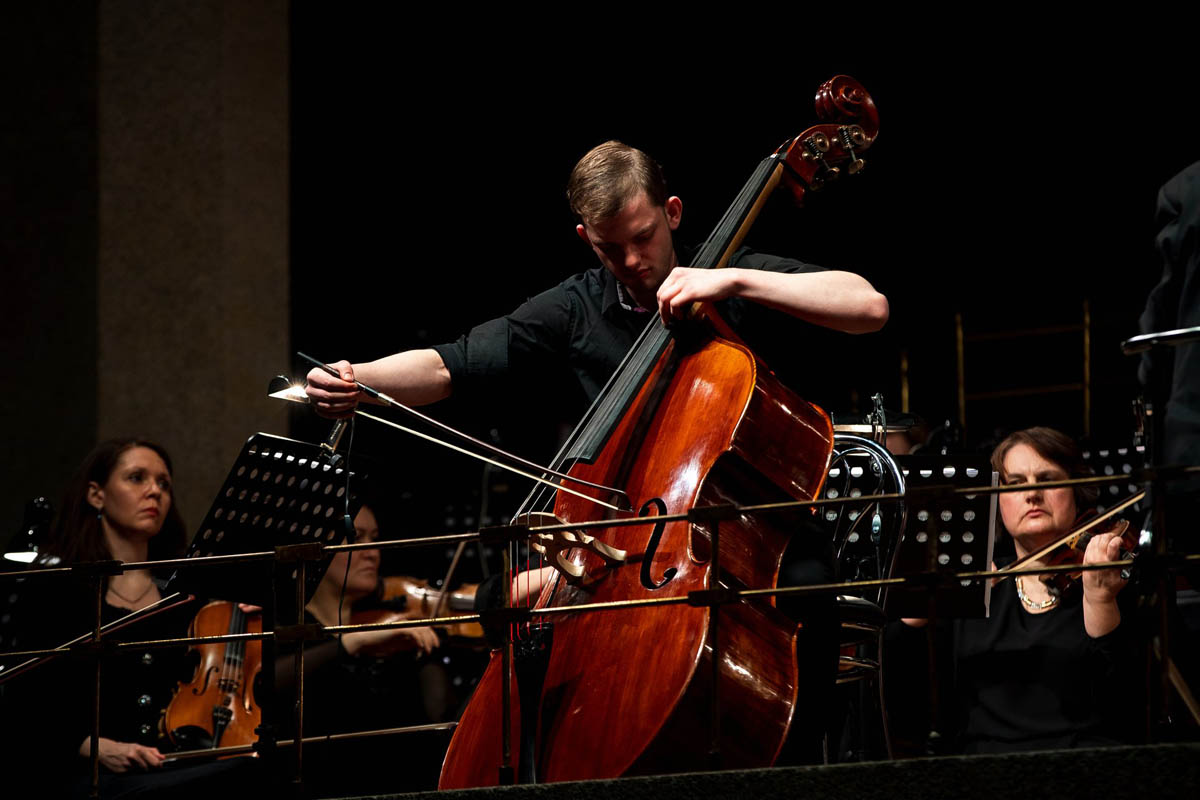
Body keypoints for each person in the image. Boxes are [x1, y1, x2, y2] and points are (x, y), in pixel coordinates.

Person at [304, 139, 888, 416]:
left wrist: (733, 281)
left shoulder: (728, 270)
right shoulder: (574, 307)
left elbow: (868, 308)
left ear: (672, 213)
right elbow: (449, 364)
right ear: (586, 239)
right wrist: (358, 378)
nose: (632, 261)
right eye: (611, 248)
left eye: (644, 237)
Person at [1, 438, 263, 798]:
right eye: (137, 478)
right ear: (96, 495)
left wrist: (255, 617)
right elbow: (23, 701)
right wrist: (94, 746)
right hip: (87, 773)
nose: (155, 491)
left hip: (177, 765)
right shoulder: (57, 590)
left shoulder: (188, 596)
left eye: (164, 484)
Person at [900, 427, 1147, 753]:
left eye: (1047, 479)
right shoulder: (974, 583)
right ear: (997, 501)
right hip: (984, 768)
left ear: (1076, 492)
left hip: (1085, 763)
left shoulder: (1107, 577)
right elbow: (908, 707)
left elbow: (1129, 707)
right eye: (1016, 484)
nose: (1033, 494)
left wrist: (1101, 599)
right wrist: (918, 614)